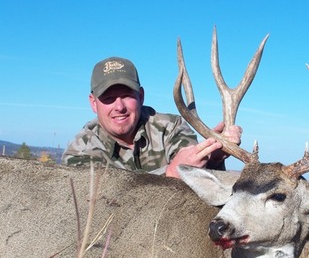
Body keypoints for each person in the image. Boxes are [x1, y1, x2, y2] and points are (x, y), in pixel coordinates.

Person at [62, 56, 242, 178]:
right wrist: (170, 174)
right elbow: (103, 201)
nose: (119, 107)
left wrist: (214, 158)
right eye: (108, 99)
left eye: (126, 96)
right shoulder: (80, 151)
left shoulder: (172, 127)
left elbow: (197, 182)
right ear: (94, 103)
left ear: (141, 96)